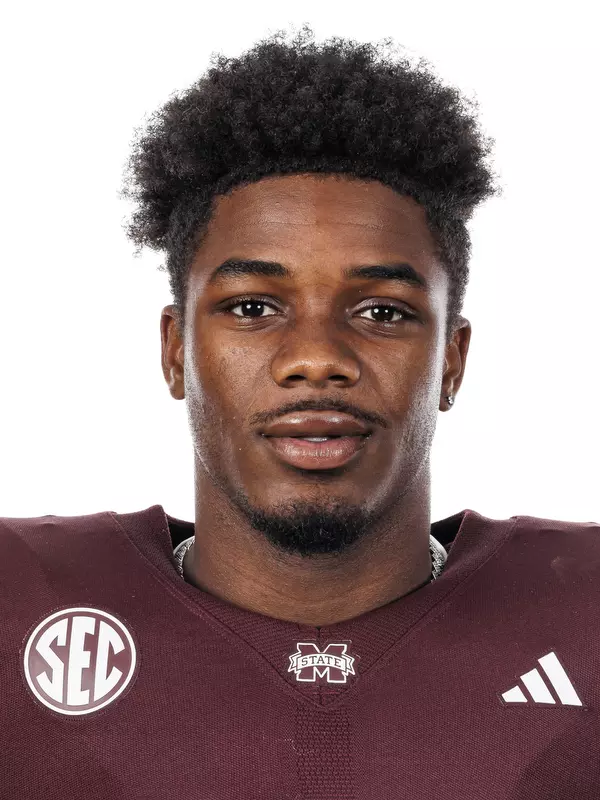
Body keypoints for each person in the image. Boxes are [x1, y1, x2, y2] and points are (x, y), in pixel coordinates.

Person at [2, 23, 599, 800]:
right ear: (176, 349)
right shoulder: (20, 600)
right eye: (253, 306)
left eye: (382, 312)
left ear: (451, 360)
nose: (316, 357)